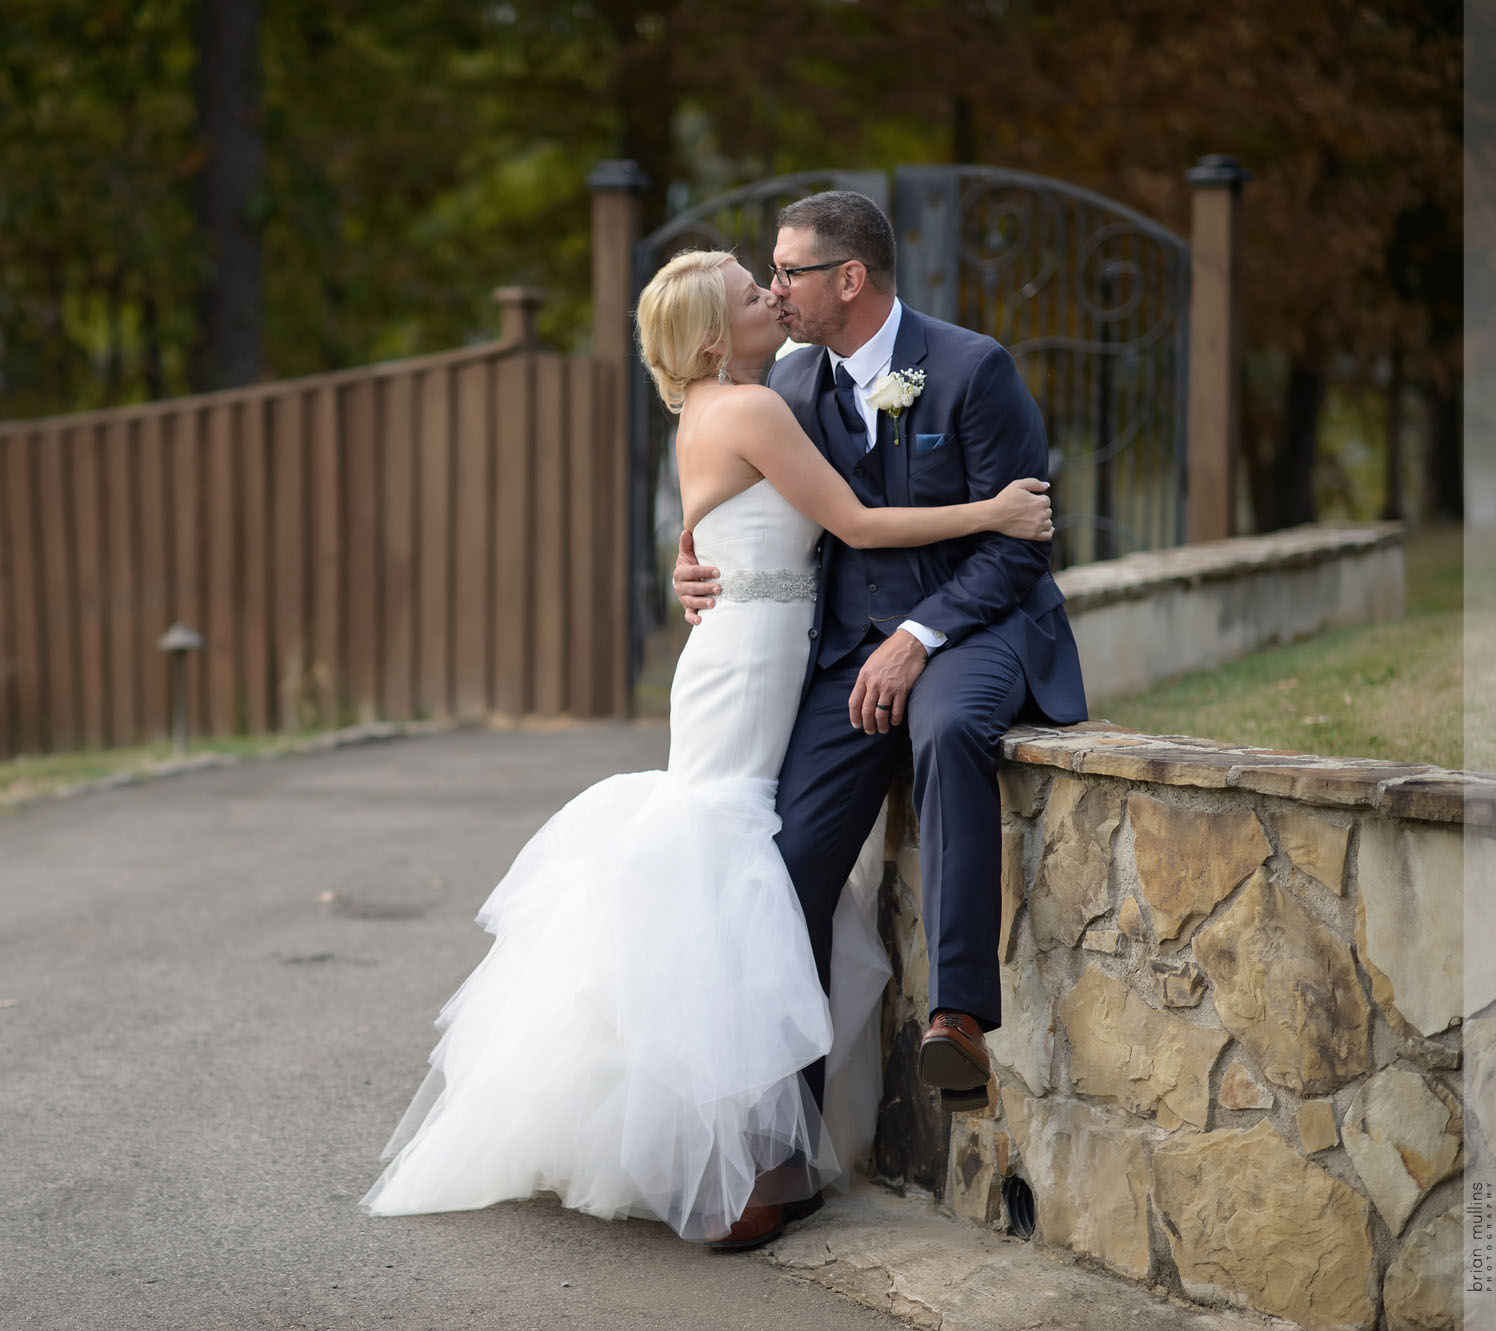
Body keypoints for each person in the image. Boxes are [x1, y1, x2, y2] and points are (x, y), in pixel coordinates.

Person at [362, 248, 1054, 1251]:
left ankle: (761, 1149)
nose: (770, 294)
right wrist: (992, 510)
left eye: (775, 277)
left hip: (753, 651)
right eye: (748, 291)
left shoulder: (714, 407)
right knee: (737, 876)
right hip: (747, 664)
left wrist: (690, 559)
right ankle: (742, 1152)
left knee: (747, 874)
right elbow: (853, 521)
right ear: (708, 339)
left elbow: (711, 527)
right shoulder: (757, 406)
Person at [675, 191, 1088, 1126]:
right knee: (787, 864)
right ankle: (784, 1135)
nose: (774, 289)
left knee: (948, 731)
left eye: (789, 272)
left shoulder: (972, 369)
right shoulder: (785, 385)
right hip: (845, 653)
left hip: (975, 631)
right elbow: (742, 492)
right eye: (769, 275)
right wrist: (692, 555)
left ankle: (959, 1017)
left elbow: (1021, 543)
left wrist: (918, 636)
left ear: (848, 278)